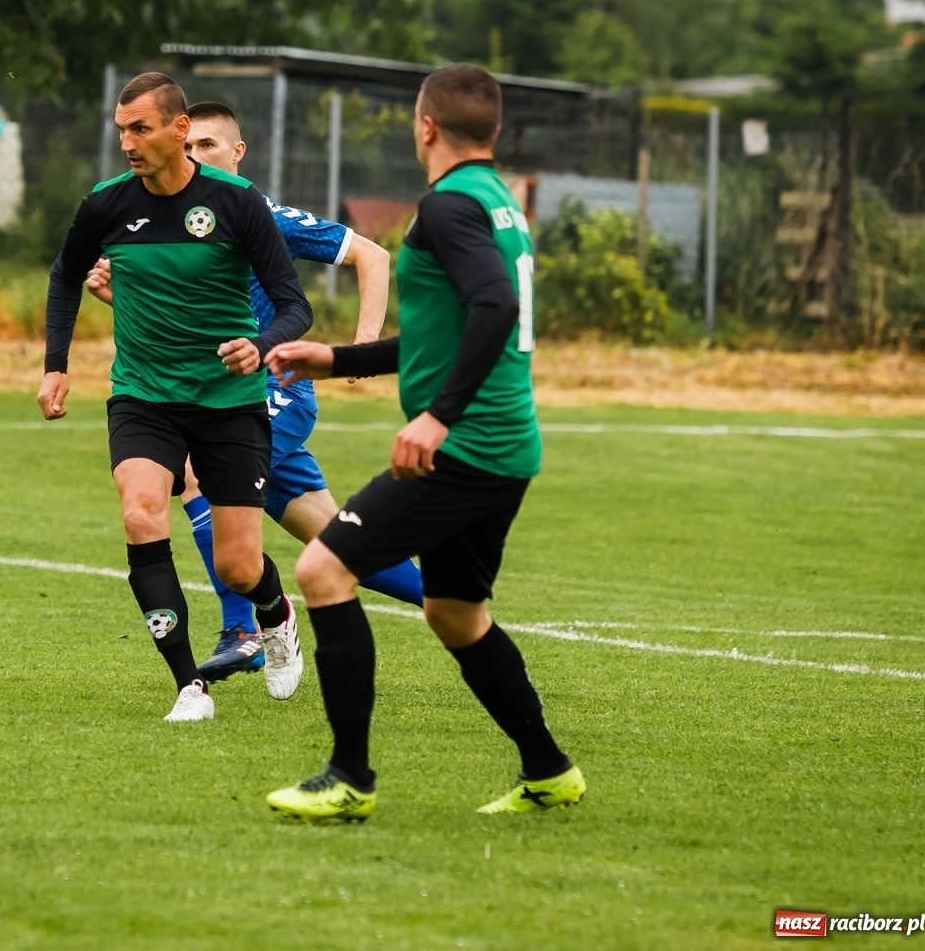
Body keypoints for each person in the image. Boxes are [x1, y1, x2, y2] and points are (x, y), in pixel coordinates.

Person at [261, 63, 584, 821]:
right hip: (506, 448)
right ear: (494, 131)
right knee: (454, 614)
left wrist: (437, 416)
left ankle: (349, 777)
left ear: (425, 126)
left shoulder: (444, 208)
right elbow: (446, 331)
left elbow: (494, 305)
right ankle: (549, 769)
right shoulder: (498, 201)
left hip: (463, 450)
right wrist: (337, 359)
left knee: (321, 568)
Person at [84, 101, 424, 701]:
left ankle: (243, 629)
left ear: (238, 154)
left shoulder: (258, 212)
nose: (193, 158)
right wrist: (116, 296)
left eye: (208, 146)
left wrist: (363, 345)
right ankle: (452, 594)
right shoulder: (163, 216)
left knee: (192, 472)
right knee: (336, 543)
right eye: (188, 147)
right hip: (208, 391)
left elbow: (372, 254)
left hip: (272, 393)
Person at [38, 72, 313, 722]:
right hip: (143, 396)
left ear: (179, 130)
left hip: (228, 400)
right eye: (121, 130)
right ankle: (189, 684)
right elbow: (64, 276)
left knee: (240, 565)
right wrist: (56, 366)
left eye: (141, 128)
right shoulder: (106, 204)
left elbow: (294, 306)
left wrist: (261, 342)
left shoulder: (238, 202)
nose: (128, 142)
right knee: (140, 515)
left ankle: (276, 620)